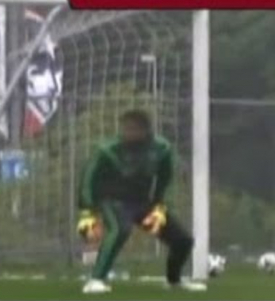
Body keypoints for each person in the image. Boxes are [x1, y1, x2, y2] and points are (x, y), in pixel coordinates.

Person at [78, 109, 206, 294]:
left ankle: (174, 281)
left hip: (143, 203)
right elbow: (88, 179)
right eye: (125, 128)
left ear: (145, 131)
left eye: (132, 129)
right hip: (112, 201)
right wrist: (87, 210)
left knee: (182, 240)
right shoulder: (107, 150)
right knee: (119, 229)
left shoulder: (161, 149)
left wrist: (159, 204)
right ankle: (96, 280)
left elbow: (165, 178)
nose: (127, 133)